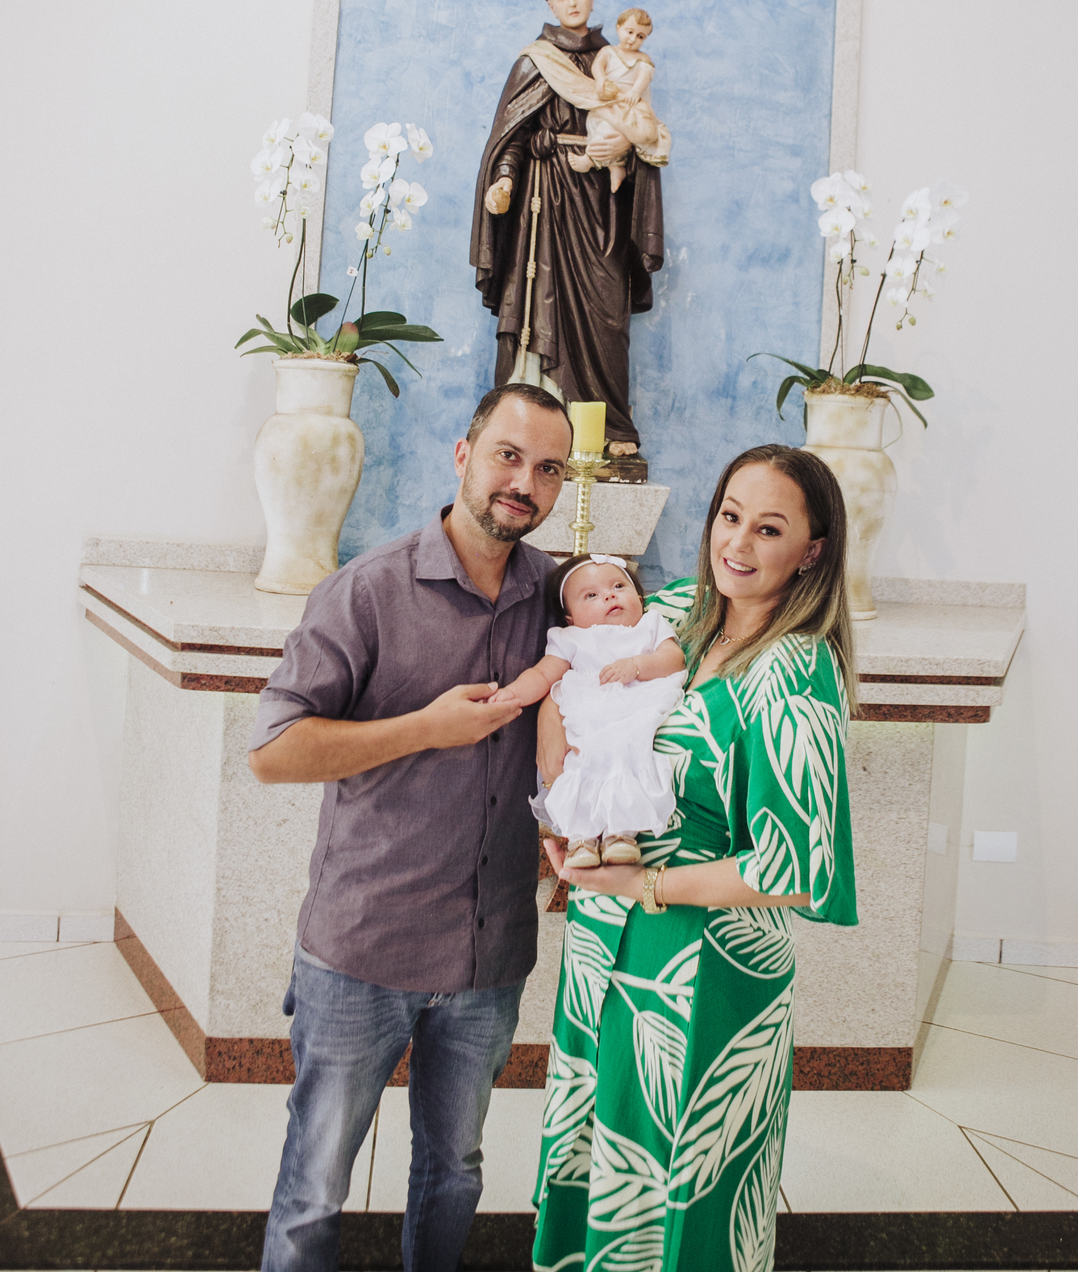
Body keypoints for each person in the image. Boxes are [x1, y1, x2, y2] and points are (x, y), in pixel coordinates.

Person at [247, 383, 573, 1272]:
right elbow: (272, 750)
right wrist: (424, 728)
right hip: (363, 949)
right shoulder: (366, 592)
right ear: (464, 455)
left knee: (455, 1171)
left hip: (488, 956)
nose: (525, 483)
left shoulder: (563, 599)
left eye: (549, 469)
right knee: (316, 1187)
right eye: (508, 456)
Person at [532, 444, 859, 1272]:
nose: (737, 543)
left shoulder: (793, 675)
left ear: (811, 551)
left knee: (681, 1201)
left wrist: (646, 882)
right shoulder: (682, 608)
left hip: (702, 973)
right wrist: (559, 786)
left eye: (769, 529)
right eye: (730, 516)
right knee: (602, 1165)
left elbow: (794, 868)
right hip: (606, 948)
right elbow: (576, 670)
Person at [469, 0, 664, 457]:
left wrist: (623, 150)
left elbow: (639, 122)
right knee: (541, 305)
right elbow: (510, 137)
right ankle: (529, 435)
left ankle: (607, 430)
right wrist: (505, 179)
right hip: (545, 205)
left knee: (607, 316)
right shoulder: (535, 62)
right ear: (550, 4)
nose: (572, 1)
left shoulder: (615, 61)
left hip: (602, 206)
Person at [497, 552, 686, 870]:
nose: (609, 596)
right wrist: (512, 695)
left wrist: (637, 665)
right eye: (591, 595)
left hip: (636, 706)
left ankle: (620, 833)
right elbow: (543, 675)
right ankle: (581, 837)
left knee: (630, 757)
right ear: (570, 618)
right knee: (581, 763)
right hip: (589, 712)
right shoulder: (570, 638)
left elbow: (674, 660)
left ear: (640, 599)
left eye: (618, 586)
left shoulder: (651, 625)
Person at [567, 6, 671, 192]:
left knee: (613, 132)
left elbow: (644, 77)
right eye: (629, 32)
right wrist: (601, 79)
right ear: (618, 28)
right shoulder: (608, 51)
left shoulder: (642, 59)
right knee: (596, 126)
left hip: (626, 103)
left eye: (640, 36)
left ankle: (591, 160)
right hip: (607, 100)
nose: (633, 39)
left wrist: (635, 92)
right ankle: (614, 167)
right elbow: (597, 66)